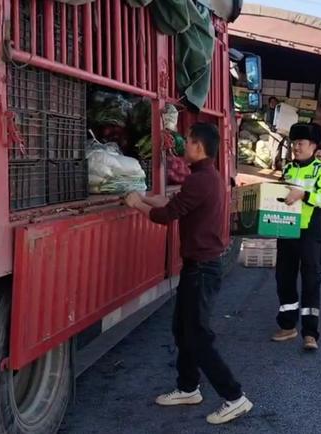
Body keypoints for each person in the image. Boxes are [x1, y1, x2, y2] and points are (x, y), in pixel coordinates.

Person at [125, 123, 253, 425]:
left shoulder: (202, 180)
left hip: (203, 270)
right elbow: (176, 204)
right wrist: (145, 198)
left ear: (198, 146)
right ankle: (188, 388)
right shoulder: (205, 177)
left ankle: (234, 397)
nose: (184, 148)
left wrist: (135, 205)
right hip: (199, 267)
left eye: (189, 143)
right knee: (182, 330)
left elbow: (165, 216)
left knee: (197, 336)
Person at [272, 122, 321, 351]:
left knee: (311, 281)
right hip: (287, 230)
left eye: (300, 143)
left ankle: (310, 333)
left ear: (313, 145)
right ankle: (288, 326)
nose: (295, 147)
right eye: (293, 143)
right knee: (284, 278)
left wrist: (304, 194)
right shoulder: (289, 169)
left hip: (310, 233)